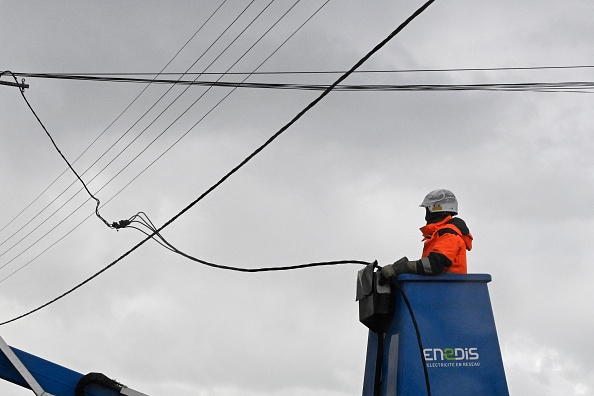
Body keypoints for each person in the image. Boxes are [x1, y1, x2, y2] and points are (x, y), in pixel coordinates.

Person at [381, 189, 473, 280]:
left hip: (447, 291)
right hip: (439, 288)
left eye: (427, 210)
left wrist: (405, 267)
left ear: (437, 209)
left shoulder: (449, 234)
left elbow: (435, 264)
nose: (426, 216)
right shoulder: (439, 234)